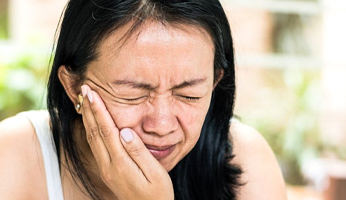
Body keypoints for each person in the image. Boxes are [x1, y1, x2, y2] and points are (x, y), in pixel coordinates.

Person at [0, 0, 286, 199]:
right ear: (74, 86)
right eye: (132, 93)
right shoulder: (14, 156)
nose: (161, 125)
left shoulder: (245, 159)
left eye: (189, 94)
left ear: (215, 82)